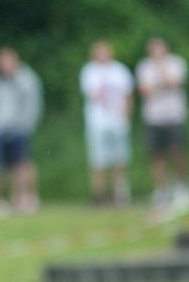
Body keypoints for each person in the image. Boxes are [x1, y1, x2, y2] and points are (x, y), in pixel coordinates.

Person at [136, 37, 188, 212]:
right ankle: (161, 190)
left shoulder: (176, 63)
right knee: (156, 155)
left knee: (177, 151)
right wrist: (161, 83)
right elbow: (144, 90)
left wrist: (161, 70)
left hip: (173, 116)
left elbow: (175, 82)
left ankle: (182, 187)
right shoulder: (144, 66)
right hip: (153, 117)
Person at [80, 40, 134, 205]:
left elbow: (128, 95)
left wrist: (127, 116)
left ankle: (120, 194)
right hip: (98, 122)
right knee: (98, 160)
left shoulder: (120, 70)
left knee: (120, 159)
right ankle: (99, 195)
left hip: (118, 121)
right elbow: (92, 94)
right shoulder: (89, 71)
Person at [0, 47, 43, 212]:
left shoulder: (26, 79)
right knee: (9, 166)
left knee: (22, 164)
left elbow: (33, 105)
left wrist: (26, 125)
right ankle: (15, 198)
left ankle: (29, 197)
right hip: (3, 130)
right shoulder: (0, 82)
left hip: (20, 128)